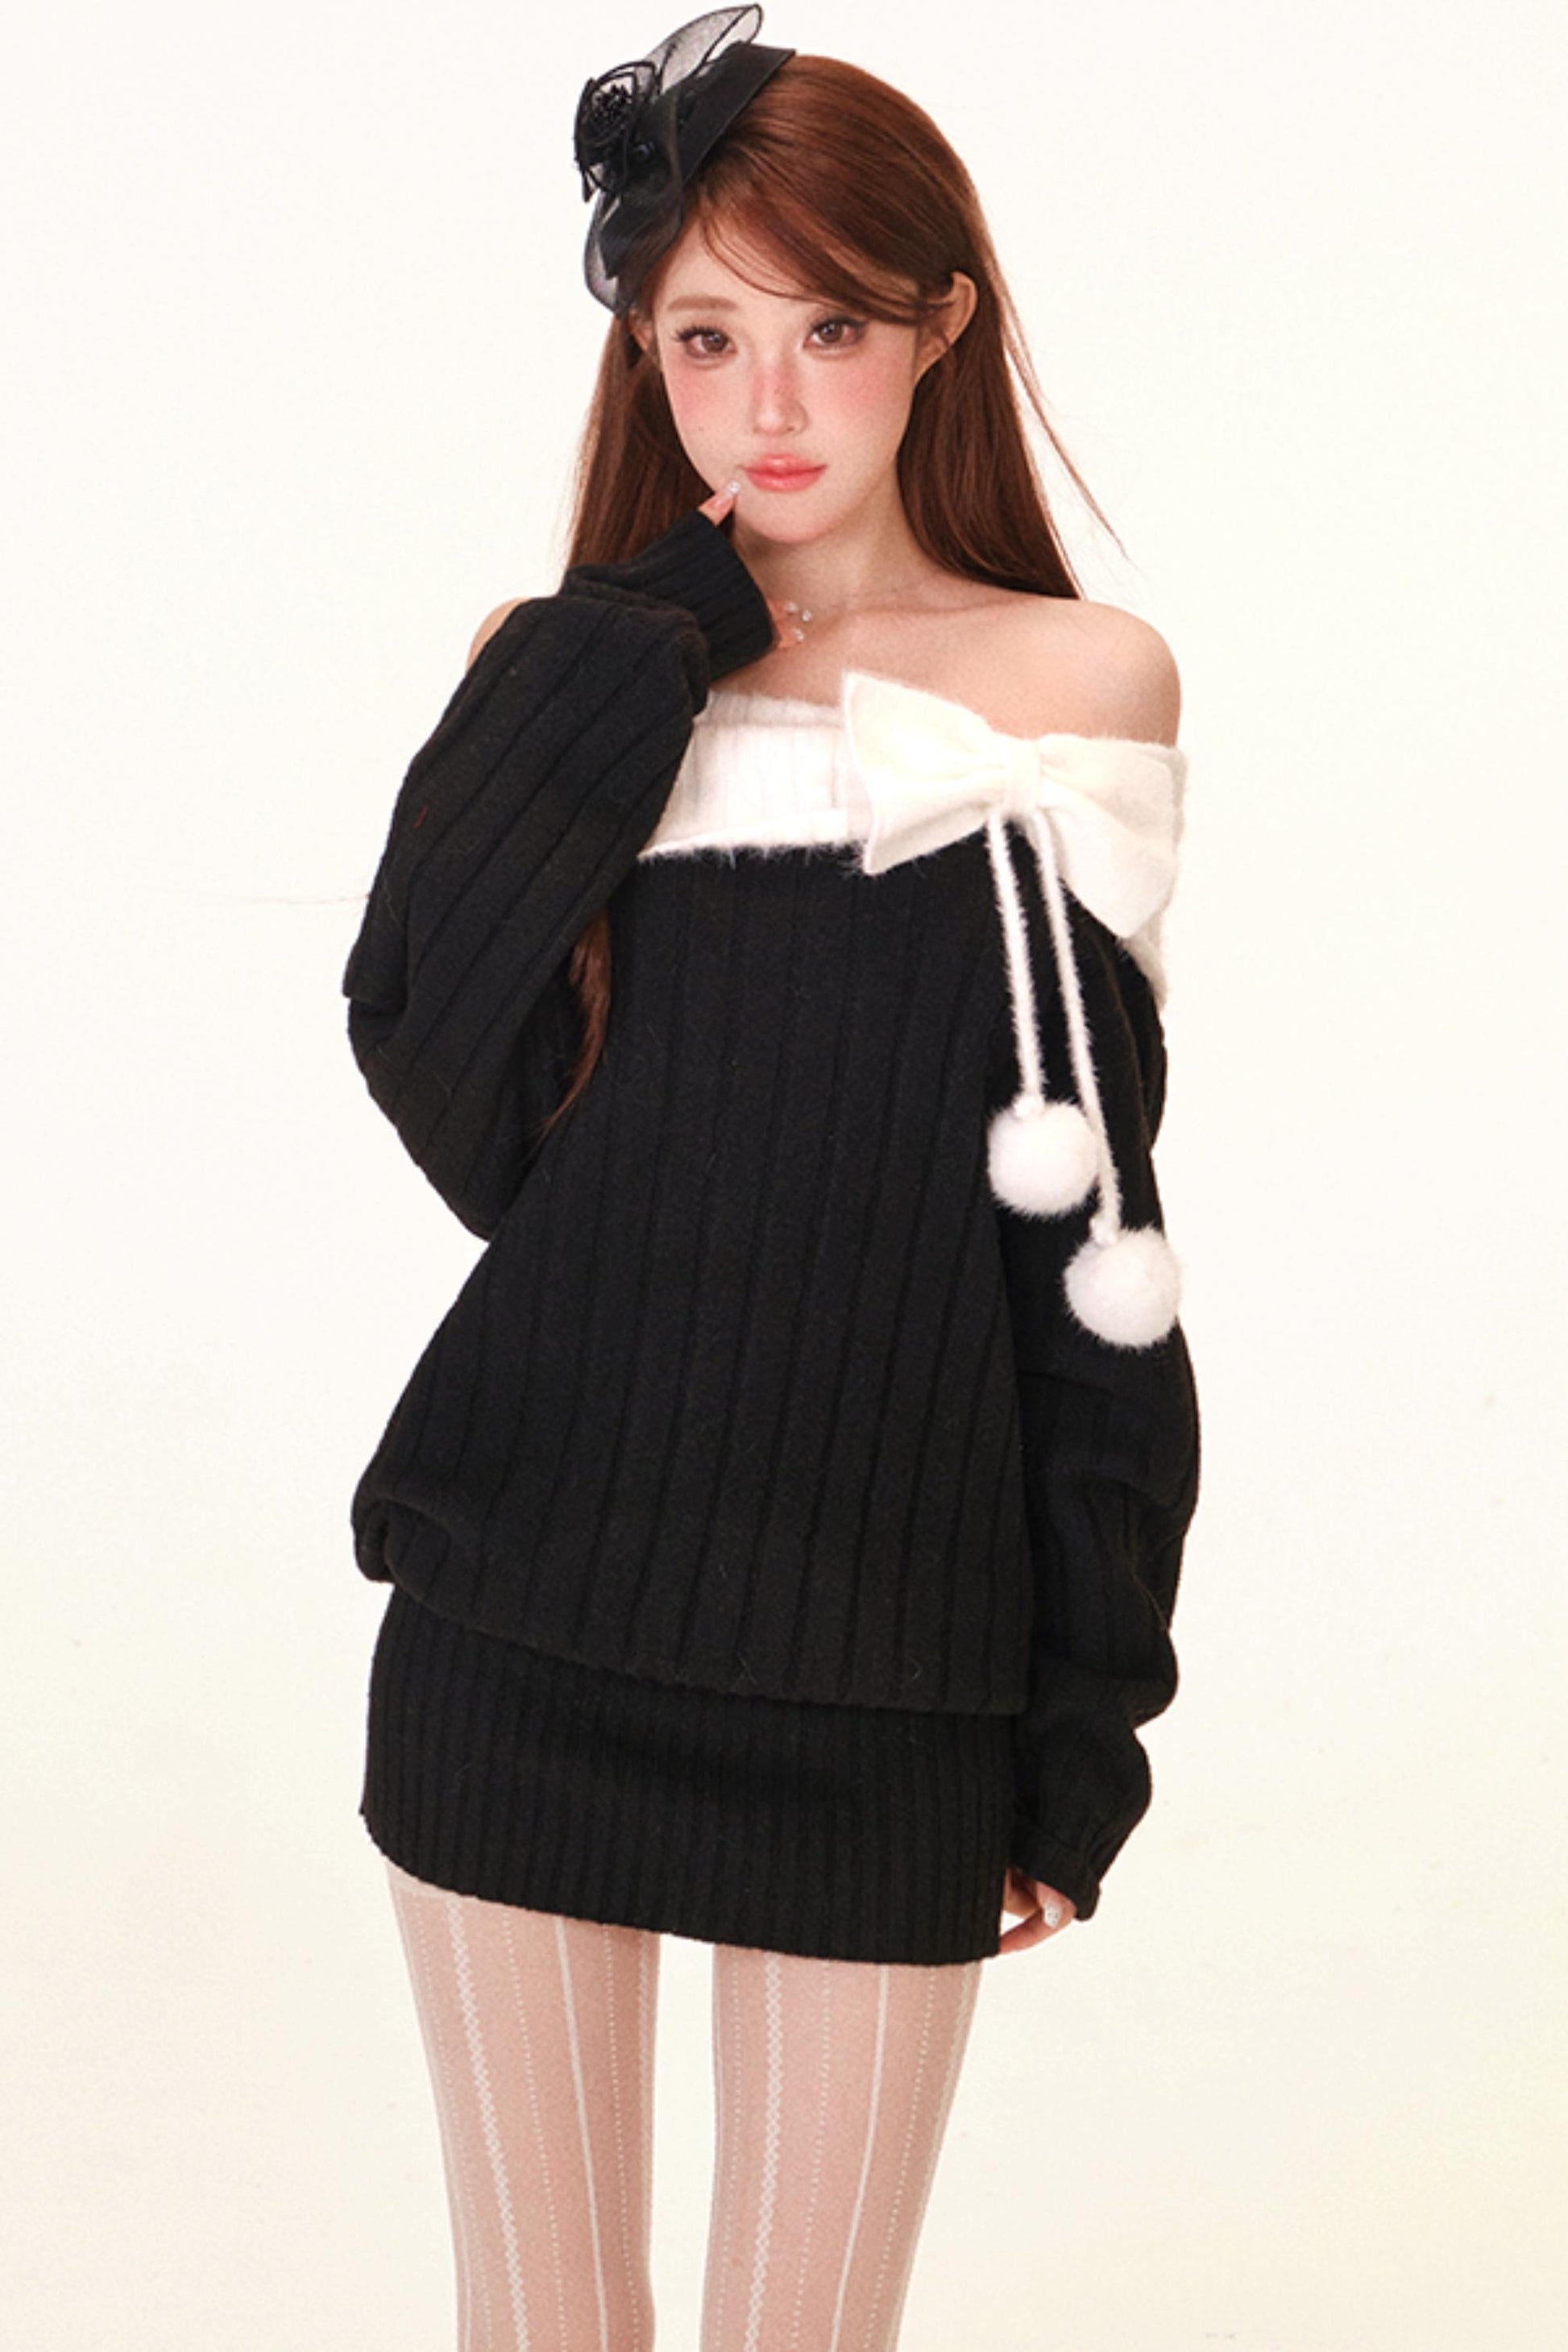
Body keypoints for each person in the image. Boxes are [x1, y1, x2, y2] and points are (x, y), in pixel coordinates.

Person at [342, 10, 1201, 2348]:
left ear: (940, 326)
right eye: (707, 336)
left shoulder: (1072, 686)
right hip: (519, 1617)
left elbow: (1092, 1246)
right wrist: (649, 642)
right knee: (541, 2324)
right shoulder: (575, 671)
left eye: (830, 327)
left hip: (888, 1666)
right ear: (644, 347)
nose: (772, 402)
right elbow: (445, 1077)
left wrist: (1082, 1716)